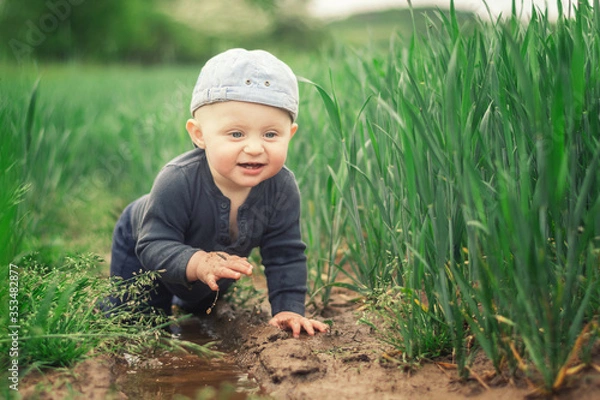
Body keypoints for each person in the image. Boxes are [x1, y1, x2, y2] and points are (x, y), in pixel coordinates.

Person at [108, 48, 328, 338]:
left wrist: (288, 308)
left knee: (198, 307)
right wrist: (199, 262)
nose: (254, 147)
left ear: (291, 134)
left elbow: (285, 254)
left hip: (207, 268)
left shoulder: (281, 189)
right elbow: (153, 245)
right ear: (199, 135)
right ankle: (128, 314)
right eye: (236, 134)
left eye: (270, 134)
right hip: (143, 250)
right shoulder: (177, 180)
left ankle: (186, 301)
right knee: (139, 325)